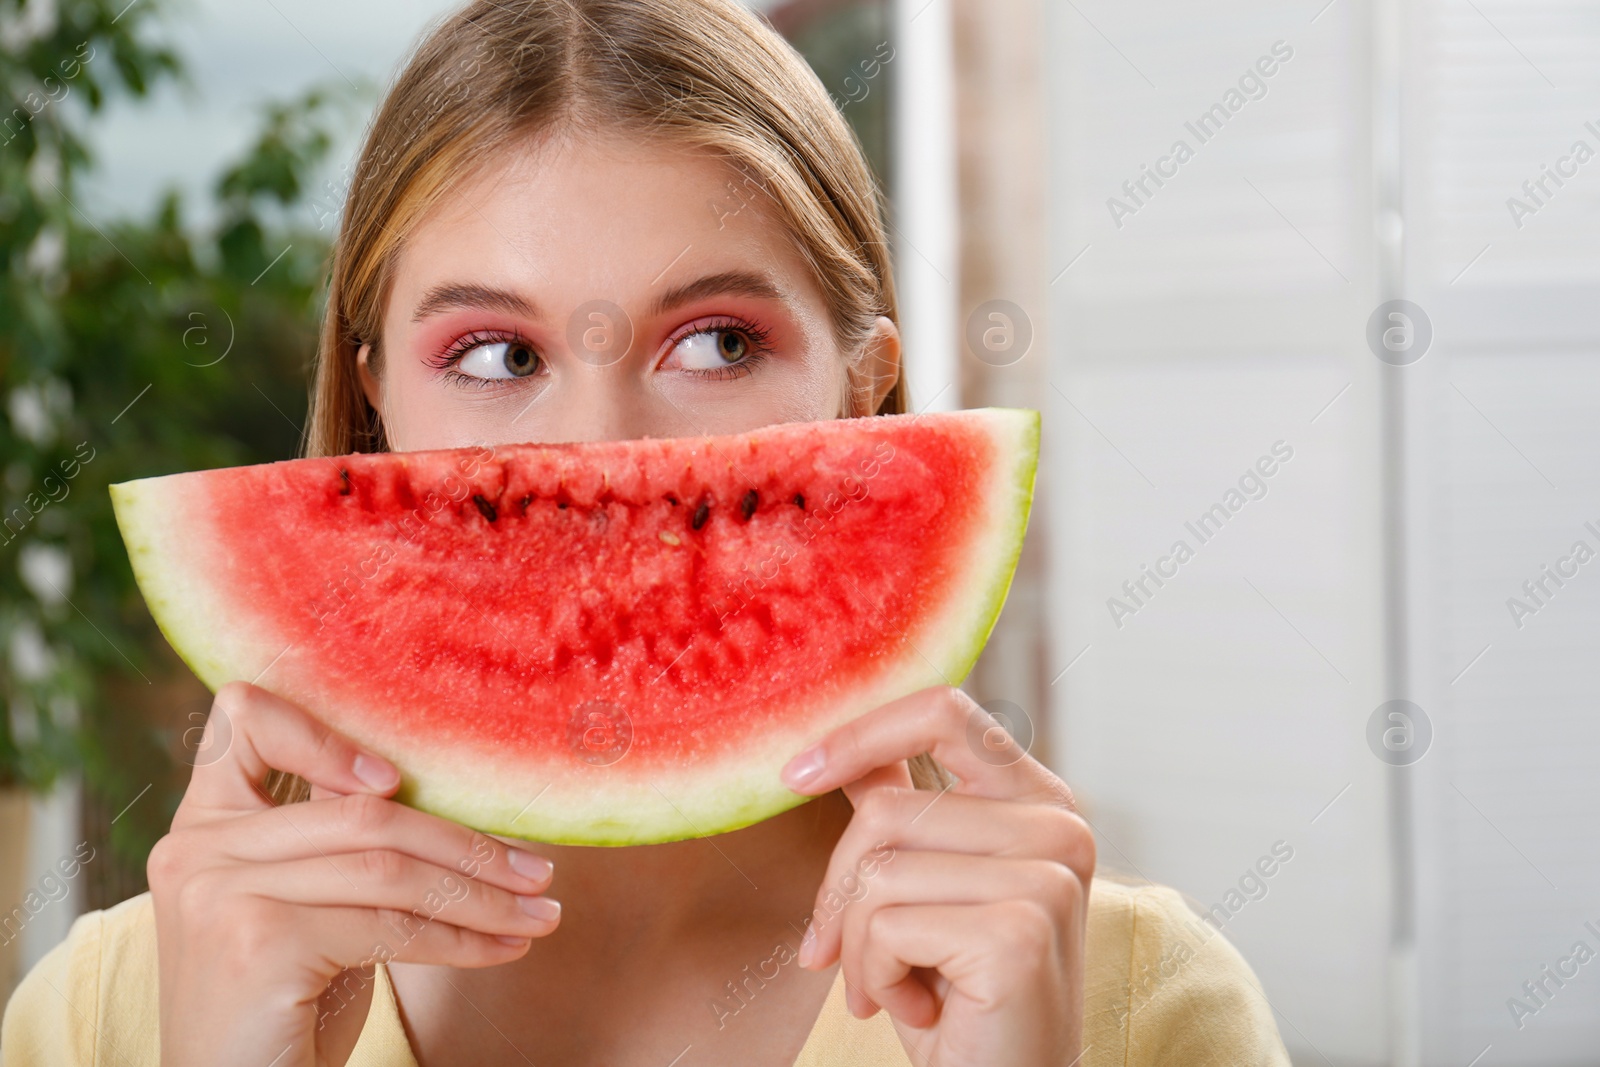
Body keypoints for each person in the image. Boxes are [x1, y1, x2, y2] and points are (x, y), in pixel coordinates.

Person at [0, 1, 1292, 1063]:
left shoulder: (1130, 1000)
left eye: (717, 342)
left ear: (867, 390)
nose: (602, 450)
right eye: (496, 351)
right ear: (377, 398)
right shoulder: (115, 1013)